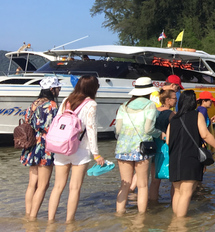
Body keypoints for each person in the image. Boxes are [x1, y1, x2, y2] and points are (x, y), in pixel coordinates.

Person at [48, 75, 105, 222]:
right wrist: (96, 154)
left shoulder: (67, 101)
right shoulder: (91, 104)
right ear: (93, 88)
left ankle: (50, 220)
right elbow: (91, 130)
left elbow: (56, 122)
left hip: (61, 146)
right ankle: (69, 222)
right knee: (74, 188)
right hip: (79, 149)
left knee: (57, 187)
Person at [167, 90, 215, 217]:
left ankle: (175, 222)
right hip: (190, 158)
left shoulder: (174, 118)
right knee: (186, 193)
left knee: (178, 192)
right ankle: (179, 224)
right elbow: (205, 135)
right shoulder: (197, 116)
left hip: (174, 159)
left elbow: (168, 140)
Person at [114, 77, 160, 214]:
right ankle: (141, 218)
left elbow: (117, 129)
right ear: (149, 91)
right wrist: (160, 133)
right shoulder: (150, 105)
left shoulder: (124, 106)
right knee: (143, 185)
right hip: (142, 148)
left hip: (123, 148)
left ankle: (119, 213)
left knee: (125, 184)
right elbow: (148, 129)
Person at [20, 76, 61, 219]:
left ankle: (27, 214)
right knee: (43, 185)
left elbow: (28, 122)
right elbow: (51, 127)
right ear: (51, 89)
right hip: (44, 146)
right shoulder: (51, 105)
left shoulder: (34, 104)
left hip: (31, 145)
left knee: (32, 184)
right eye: (58, 88)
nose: (59, 90)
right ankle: (33, 218)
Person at [149, 89, 176, 202]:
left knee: (155, 180)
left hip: (154, 147)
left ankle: (153, 205)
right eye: (174, 98)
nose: (176, 100)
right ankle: (173, 205)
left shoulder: (153, 112)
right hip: (168, 148)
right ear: (167, 100)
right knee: (175, 182)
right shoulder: (172, 114)